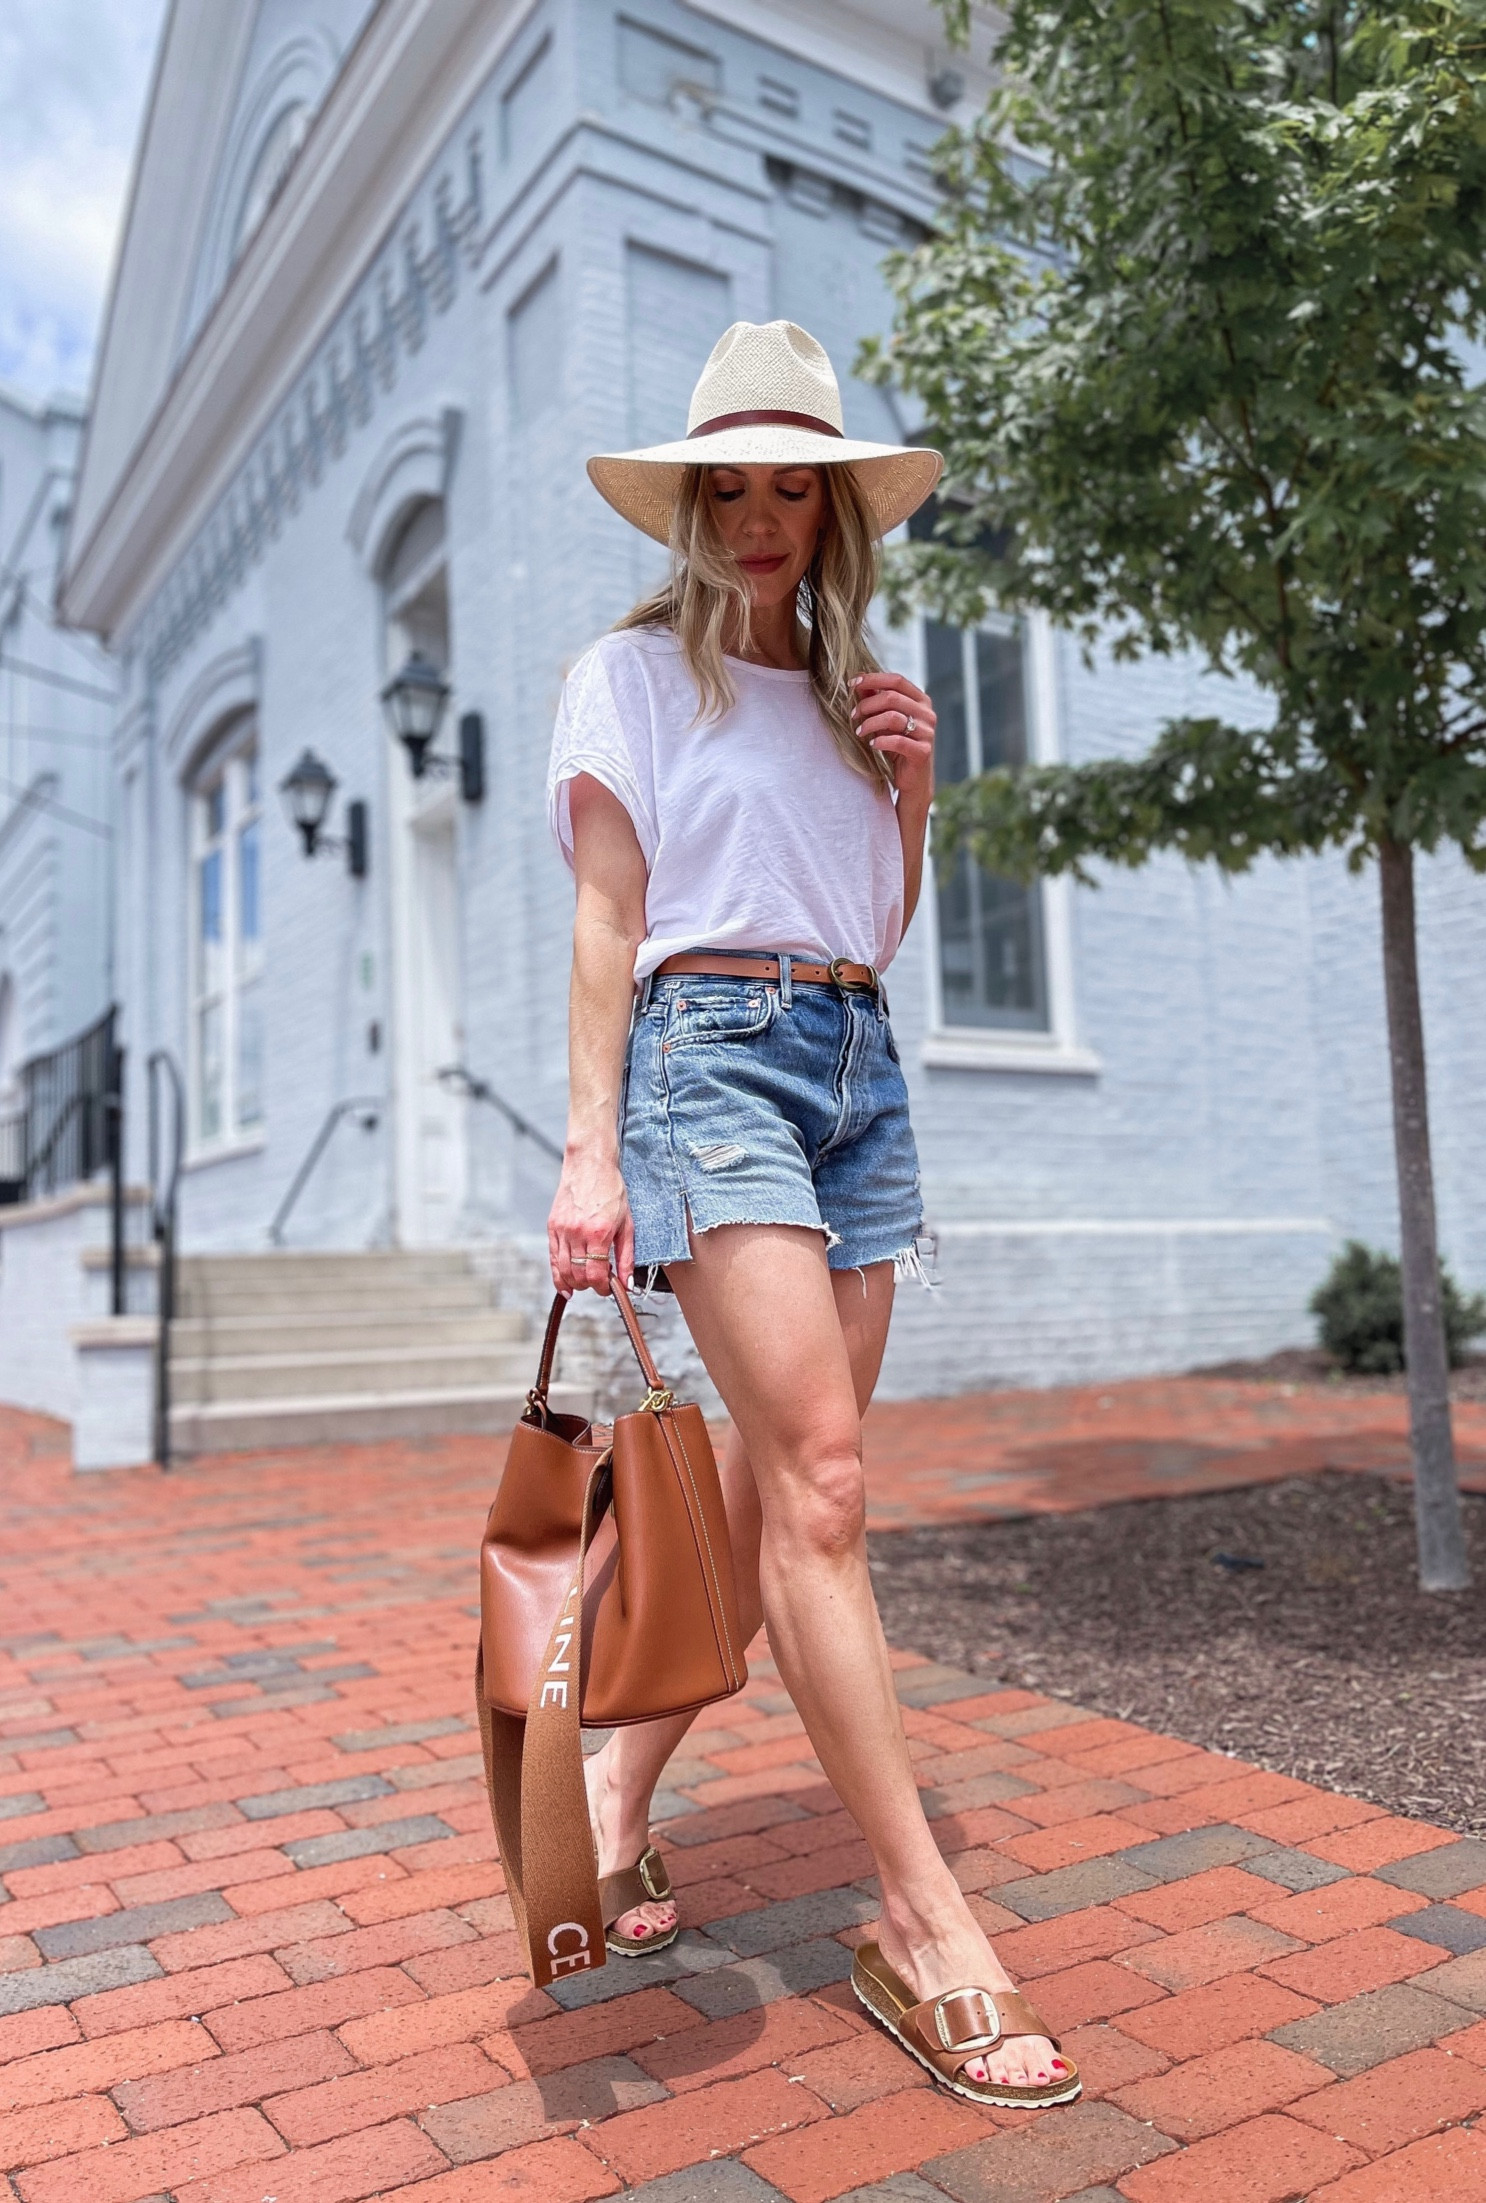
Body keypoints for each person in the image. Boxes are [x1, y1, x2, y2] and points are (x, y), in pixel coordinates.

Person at [544, 320, 1078, 2109]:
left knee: (788, 1497)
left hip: (856, 1069)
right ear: (690, 504)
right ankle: (921, 1922)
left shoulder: (864, 695)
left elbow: (877, 919)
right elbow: (613, 926)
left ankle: (612, 1804)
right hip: (710, 1060)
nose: (762, 515)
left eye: (796, 485)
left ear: (835, 510)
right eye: (732, 485)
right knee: (831, 1483)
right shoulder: (626, 678)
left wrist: (911, 788)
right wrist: (587, 1154)